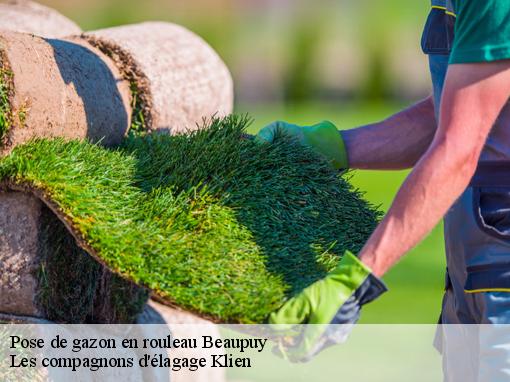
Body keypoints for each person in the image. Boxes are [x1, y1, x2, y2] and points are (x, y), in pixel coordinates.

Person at [260, 0, 510, 376]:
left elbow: (457, 149)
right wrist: (333, 146)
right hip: (473, 274)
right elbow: (449, 110)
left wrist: (355, 280)